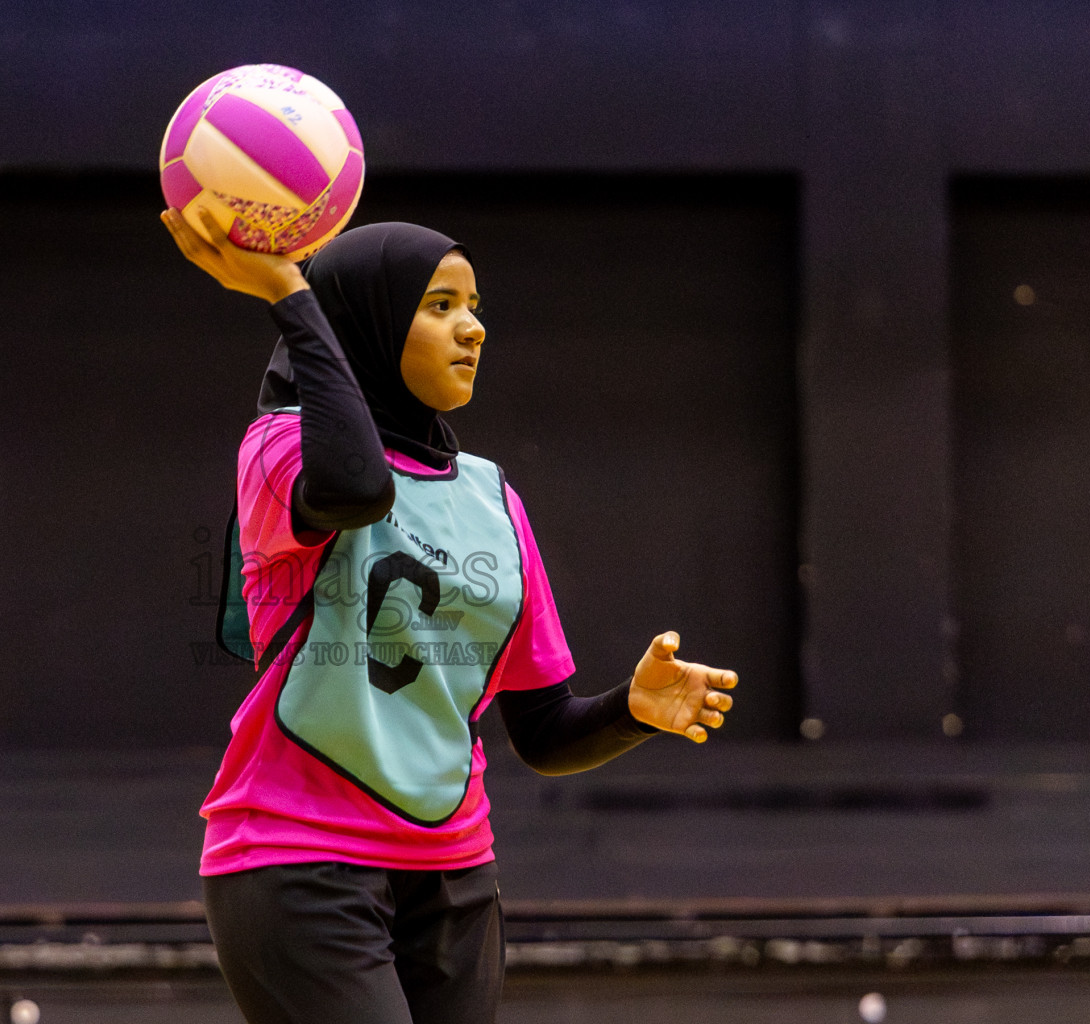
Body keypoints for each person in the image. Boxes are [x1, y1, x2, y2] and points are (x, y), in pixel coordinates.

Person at [160, 206, 739, 1024]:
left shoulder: (492, 495)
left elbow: (542, 732)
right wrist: (292, 298)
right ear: (369, 321)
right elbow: (357, 487)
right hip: (297, 859)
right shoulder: (278, 450)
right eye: (439, 306)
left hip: (456, 872)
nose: (473, 329)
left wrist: (632, 711)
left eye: (472, 306)